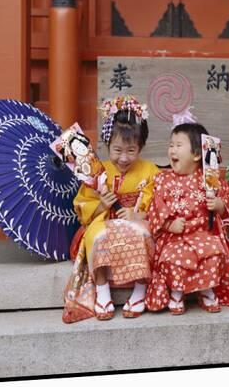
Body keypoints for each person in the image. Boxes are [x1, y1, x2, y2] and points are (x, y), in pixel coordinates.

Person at [63, 96, 159, 322]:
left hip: (136, 219)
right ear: (107, 145)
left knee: (143, 232)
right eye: (117, 150)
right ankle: (102, 289)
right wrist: (102, 204)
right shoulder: (96, 172)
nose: (123, 158)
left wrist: (138, 214)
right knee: (97, 235)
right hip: (103, 220)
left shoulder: (151, 170)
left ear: (141, 147)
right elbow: (83, 212)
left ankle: (139, 289)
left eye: (131, 150)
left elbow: (159, 204)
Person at [145, 113, 229, 315]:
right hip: (175, 237)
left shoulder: (209, 179)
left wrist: (219, 205)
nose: (172, 150)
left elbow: (227, 201)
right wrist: (169, 225)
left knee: (213, 253)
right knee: (173, 258)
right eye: (171, 145)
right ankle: (177, 292)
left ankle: (206, 290)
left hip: (203, 234)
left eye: (178, 145)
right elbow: (156, 209)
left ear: (196, 154)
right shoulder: (163, 180)